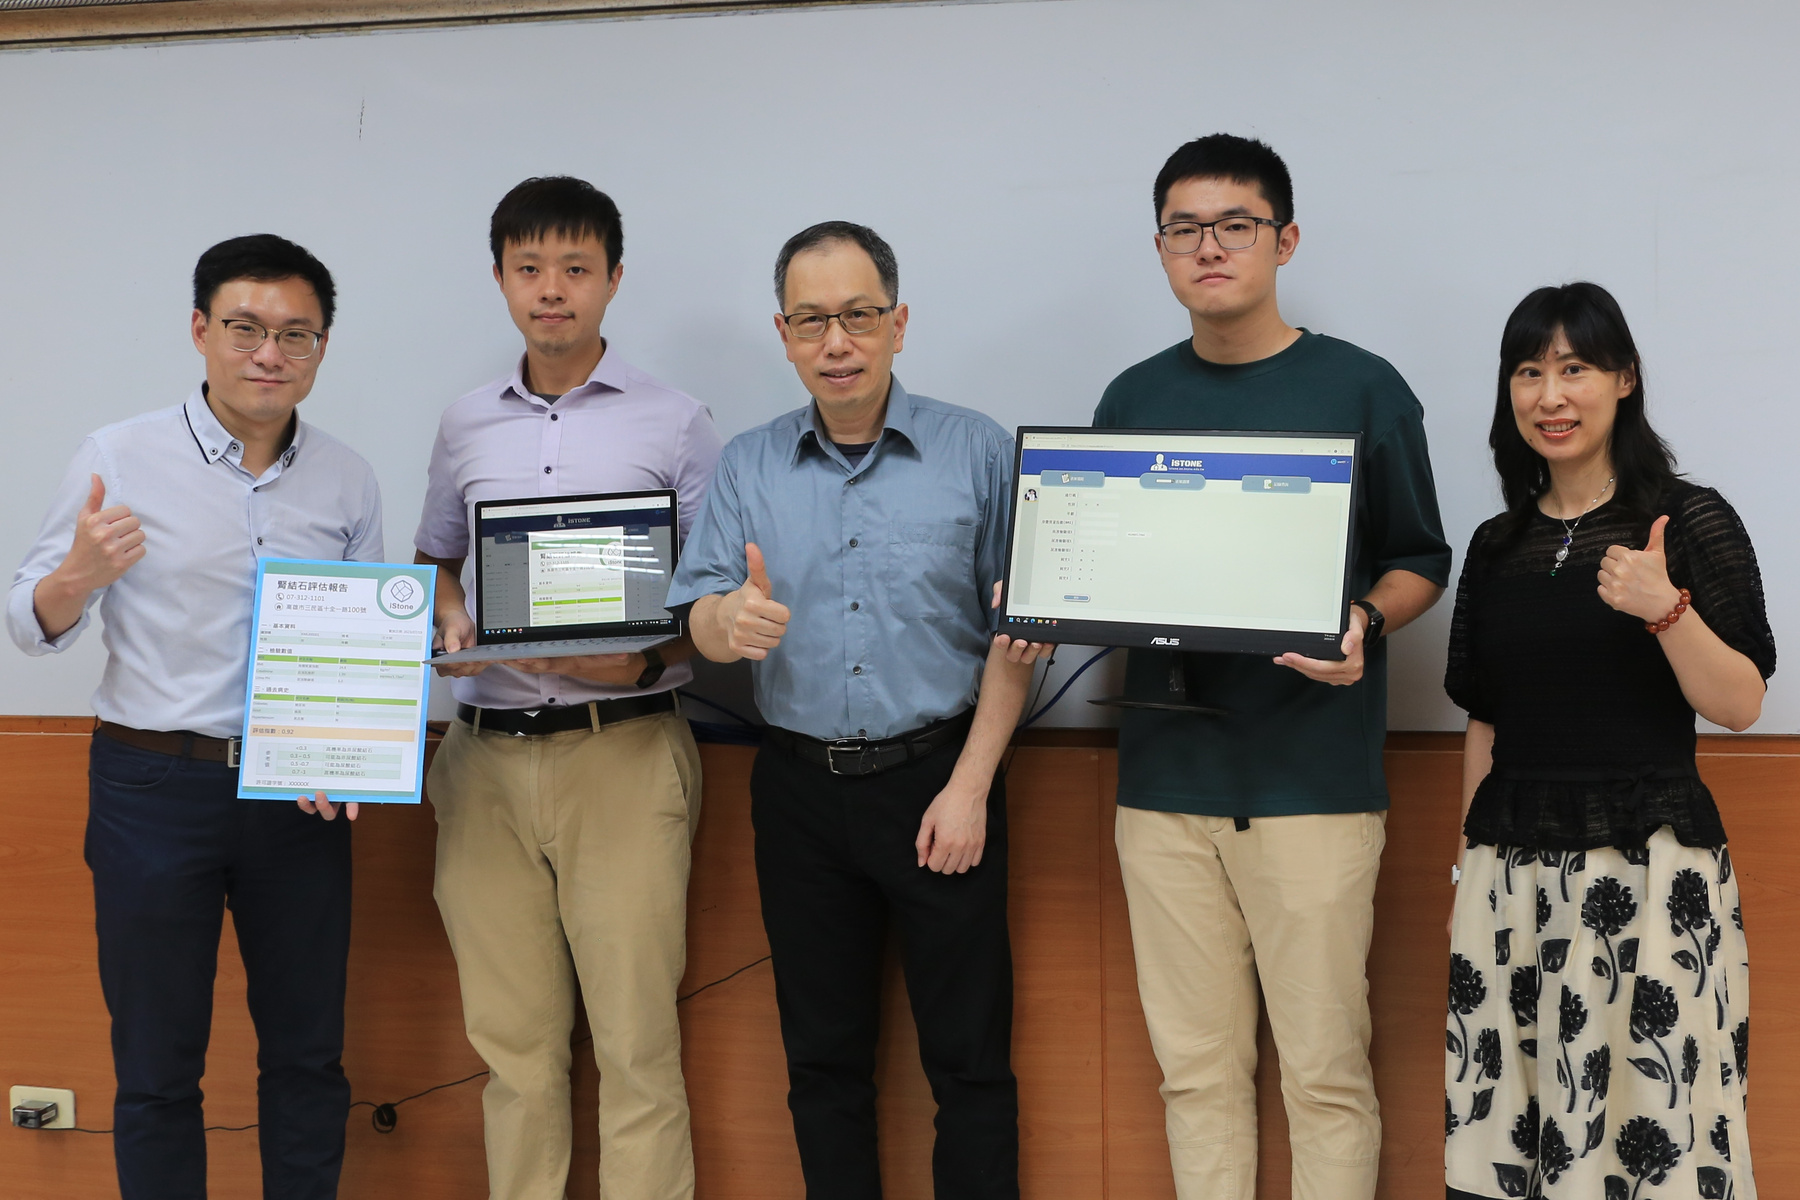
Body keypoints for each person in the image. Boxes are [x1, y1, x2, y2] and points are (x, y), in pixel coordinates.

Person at [1095, 133, 1452, 1200]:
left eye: (1235, 225)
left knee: (1326, 1076)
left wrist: (1364, 624)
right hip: (1164, 790)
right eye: (1185, 229)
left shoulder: (1362, 388)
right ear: (1159, 248)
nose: (1210, 247)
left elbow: (1421, 560)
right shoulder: (1129, 400)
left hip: (1314, 786)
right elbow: (1107, 564)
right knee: (1195, 1077)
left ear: (1284, 239)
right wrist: (1045, 595)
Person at [666, 220, 1049, 1199]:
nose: (836, 341)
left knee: (968, 1064)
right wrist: (727, 621)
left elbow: (1022, 639)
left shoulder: (979, 453)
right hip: (797, 794)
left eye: (858, 315)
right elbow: (700, 616)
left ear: (898, 322)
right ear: (785, 335)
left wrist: (970, 788)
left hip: (942, 780)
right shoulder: (748, 466)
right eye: (811, 321)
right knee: (824, 1067)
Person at [7, 235, 381, 1199]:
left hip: (297, 793)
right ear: (200, 332)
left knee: (308, 1058)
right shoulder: (117, 456)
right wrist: (78, 576)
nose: (269, 354)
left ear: (322, 347)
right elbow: (28, 621)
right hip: (151, 787)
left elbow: (363, 649)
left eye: (295, 334)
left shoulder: (347, 479)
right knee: (157, 1071)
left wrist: (358, 742)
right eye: (245, 329)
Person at [413, 176, 723, 1200]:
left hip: (625, 751)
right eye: (531, 269)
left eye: (576, 269)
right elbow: (438, 564)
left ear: (614, 280)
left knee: (638, 1047)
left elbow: (713, 597)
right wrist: (447, 609)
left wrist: (640, 658)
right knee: (514, 1051)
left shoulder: (676, 422)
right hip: (485, 759)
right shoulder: (464, 424)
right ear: (500, 278)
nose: (553, 290)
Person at [1443, 282, 1772, 1200]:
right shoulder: (1496, 543)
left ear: (1624, 380)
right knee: (1515, 1126)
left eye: (1576, 369)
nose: (1551, 395)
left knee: (1652, 1133)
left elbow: (1741, 701)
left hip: (1651, 881)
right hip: (1509, 881)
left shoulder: (1686, 519)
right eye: (1530, 371)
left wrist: (1662, 608)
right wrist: (1466, 874)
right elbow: (1486, 718)